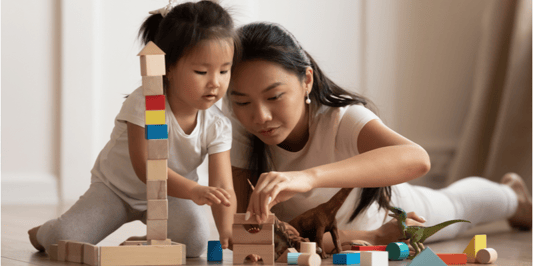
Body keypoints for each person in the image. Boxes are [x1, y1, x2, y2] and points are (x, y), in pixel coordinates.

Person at [224, 22, 532, 254]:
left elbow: (417, 158)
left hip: (393, 209)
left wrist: (308, 178)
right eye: (242, 102)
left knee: (456, 206)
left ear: (306, 80)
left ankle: (514, 197)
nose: (260, 116)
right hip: (345, 236)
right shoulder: (240, 133)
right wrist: (372, 239)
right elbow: (247, 229)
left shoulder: (340, 118)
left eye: (274, 96)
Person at [28, 1, 239, 257]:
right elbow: (146, 168)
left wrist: (227, 229)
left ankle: (147, 240)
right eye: (201, 71)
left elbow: (223, 185)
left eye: (224, 71)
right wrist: (194, 190)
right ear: (168, 68)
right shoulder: (146, 103)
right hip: (116, 191)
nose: (215, 83)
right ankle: (43, 231)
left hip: (172, 195)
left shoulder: (218, 124)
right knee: (61, 240)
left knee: (194, 244)